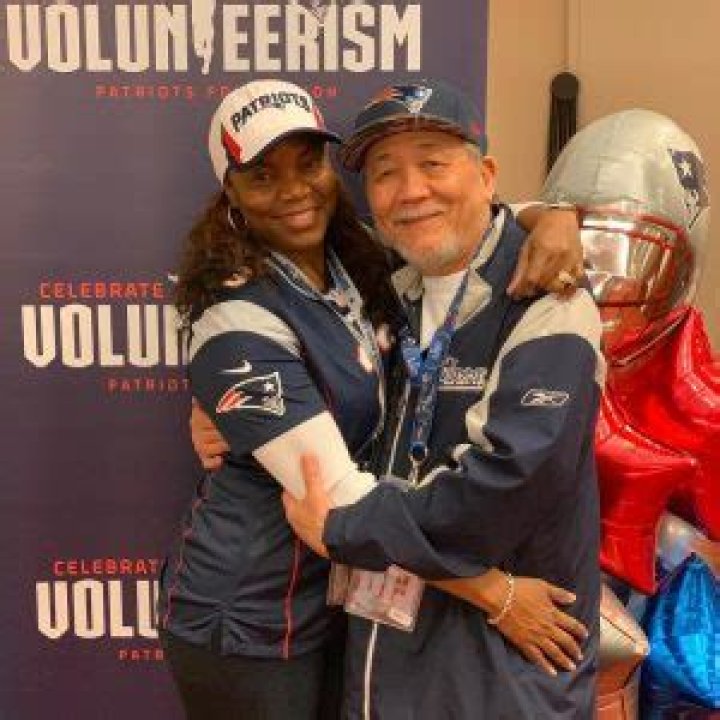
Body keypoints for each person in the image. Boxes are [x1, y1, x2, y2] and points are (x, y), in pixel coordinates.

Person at [160, 78, 587, 720]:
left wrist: (553, 217)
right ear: (231, 193)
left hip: (347, 602)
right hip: (250, 615)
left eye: (308, 164)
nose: (294, 190)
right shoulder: (237, 320)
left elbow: (464, 216)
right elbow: (332, 501)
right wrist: (494, 593)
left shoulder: (361, 264)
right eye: (262, 176)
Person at [282, 79, 604, 719]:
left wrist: (344, 528)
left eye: (433, 163)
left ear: (486, 176)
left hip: (499, 682)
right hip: (380, 666)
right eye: (385, 173)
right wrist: (221, 405)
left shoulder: (550, 298)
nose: (411, 190)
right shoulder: (378, 290)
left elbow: (501, 488)